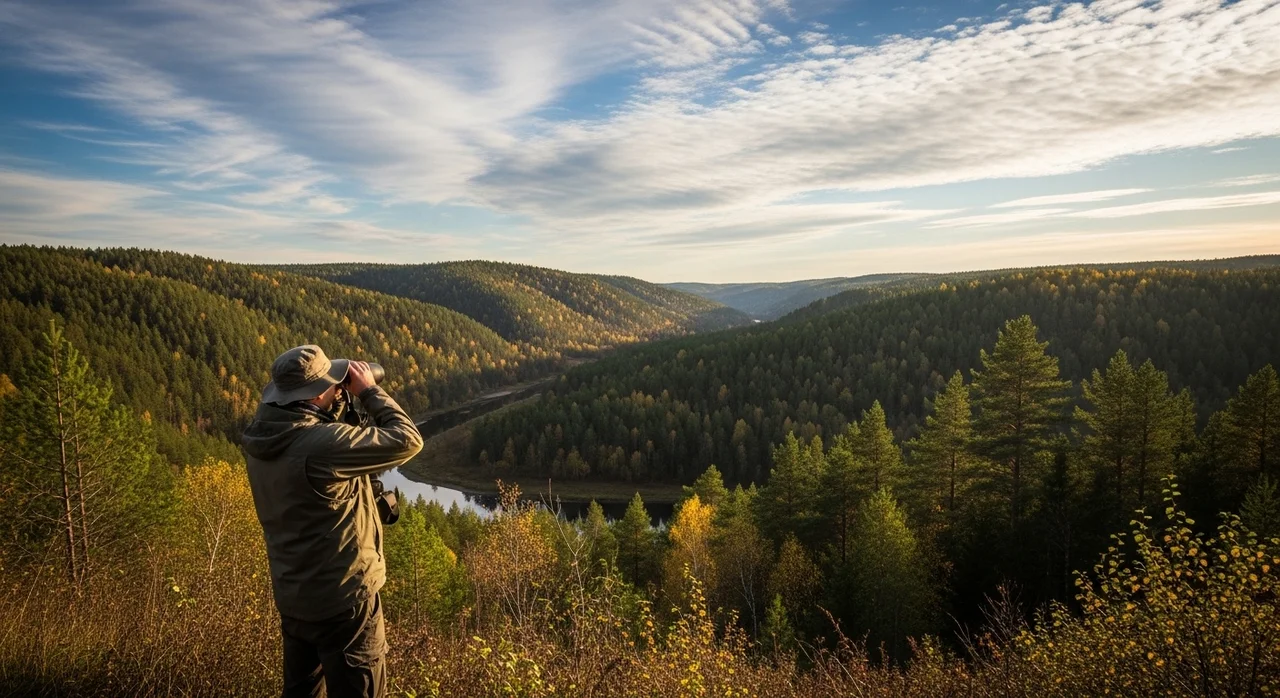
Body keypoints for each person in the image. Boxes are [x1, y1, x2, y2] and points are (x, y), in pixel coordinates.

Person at [243, 344, 424, 698]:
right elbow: (408, 440)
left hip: (295, 598)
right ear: (313, 395)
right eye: (333, 383)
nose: (339, 388)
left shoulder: (263, 441)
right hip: (345, 601)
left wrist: (332, 406)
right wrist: (370, 391)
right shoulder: (320, 446)